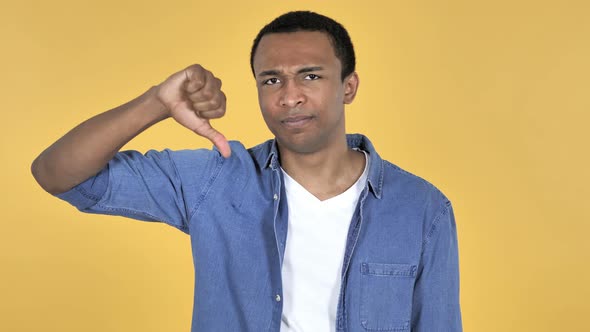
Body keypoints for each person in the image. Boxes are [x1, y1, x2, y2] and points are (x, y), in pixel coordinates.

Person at [31, 11, 462, 332]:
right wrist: (156, 103)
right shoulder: (216, 180)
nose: (289, 97)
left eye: (310, 76)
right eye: (271, 80)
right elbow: (59, 174)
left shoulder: (422, 208)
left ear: (348, 86)